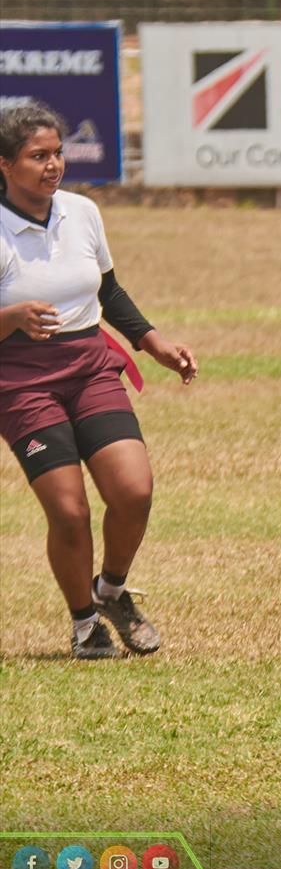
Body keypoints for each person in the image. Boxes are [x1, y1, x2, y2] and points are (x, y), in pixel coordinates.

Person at [0, 104, 197, 659]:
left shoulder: (82, 212)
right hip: (21, 382)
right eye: (38, 156)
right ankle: (85, 624)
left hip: (89, 367)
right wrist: (11, 318)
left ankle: (111, 591)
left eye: (58, 152)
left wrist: (154, 342)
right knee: (68, 511)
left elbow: (108, 290)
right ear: (6, 165)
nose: (53, 164)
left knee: (133, 490)